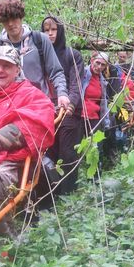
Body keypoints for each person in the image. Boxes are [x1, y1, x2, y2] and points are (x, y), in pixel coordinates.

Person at [0, 45, 55, 238]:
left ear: (17, 70)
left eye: (6, 66)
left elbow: (38, 120)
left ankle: (2, 239)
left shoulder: (30, 94)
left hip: (7, 160)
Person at [0, 0, 71, 112]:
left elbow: (56, 72)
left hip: (39, 106)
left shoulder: (40, 40)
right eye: (6, 20)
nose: (11, 24)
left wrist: (62, 93)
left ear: (21, 17)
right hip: (7, 109)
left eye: (14, 18)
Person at [40, 16, 84, 195]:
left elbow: (76, 84)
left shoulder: (72, 55)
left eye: (54, 30)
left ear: (60, 31)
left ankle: (69, 194)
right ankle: (52, 195)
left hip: (68, 112)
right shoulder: (39, 55)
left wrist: (70, 105)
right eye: (46, 30)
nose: (50, 33)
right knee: (49, 154)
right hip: (45, 112)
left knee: (67, 154)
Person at [81, 52, 111, 135]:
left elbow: (103, 102)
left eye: (103, 65)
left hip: (94, 118)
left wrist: (106, 122)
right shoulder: (82, 73)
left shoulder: (102, 81)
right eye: (97, 63)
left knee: (96, 146)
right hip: (80, 116)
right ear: (92, 60)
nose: (99, 67)